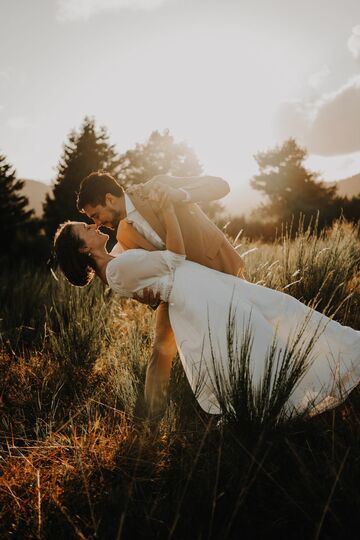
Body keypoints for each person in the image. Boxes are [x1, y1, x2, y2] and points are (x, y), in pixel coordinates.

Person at [54, 186, 360, 418]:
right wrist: (170, 213)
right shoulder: (117, 268)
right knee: (260, 323)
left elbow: (137, 273)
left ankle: (284, 388)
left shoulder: (116, 260)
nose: (94, 226)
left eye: (92, 219)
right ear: (83, 250)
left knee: (256, 324)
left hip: (198, 285)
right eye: (87, 227)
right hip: (196, 291)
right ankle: (300, 383)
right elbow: (174, 257)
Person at [76, 171, 245, 418]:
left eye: (96, 215)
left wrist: (180, 195)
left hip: (217, 265)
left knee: (240, 328)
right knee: (161, 347)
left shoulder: (158, 187)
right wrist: (145, 295)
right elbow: (131, 271)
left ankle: (244, 397)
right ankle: (152, 416)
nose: (98, 223)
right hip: (178, 291)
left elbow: (221, 185)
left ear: (110, 199)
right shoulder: (122, 234)